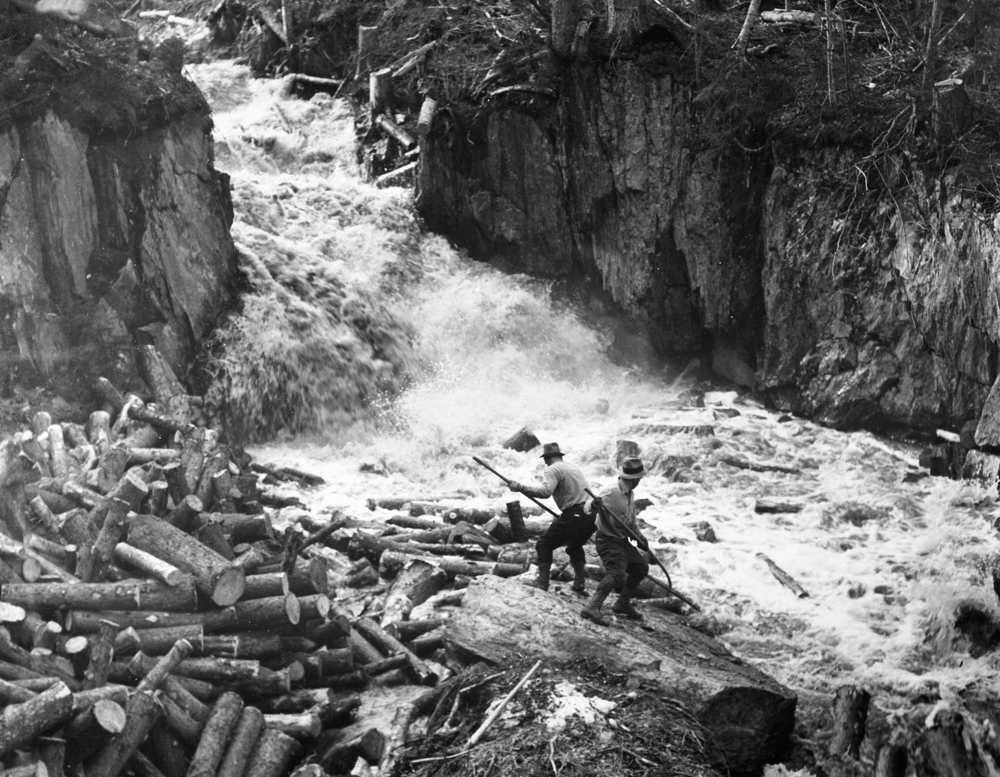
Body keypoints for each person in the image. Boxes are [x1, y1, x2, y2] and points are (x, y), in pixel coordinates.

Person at [506, 442, 593, 593]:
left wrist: (520, 487)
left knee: (543, 544)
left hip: (575, 514)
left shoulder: (552, 469)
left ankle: (542, 582)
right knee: (574, 545)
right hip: (591, 514)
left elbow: (546, 492)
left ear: (546, 458)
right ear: (560, 456)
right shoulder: (573, 467)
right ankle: (579, 581)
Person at [581, 455, 650, 626]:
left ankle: (622, 603)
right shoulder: (611, 491)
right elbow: (587, 507)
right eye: (639, 477)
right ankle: (592, 607)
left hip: (622, 540)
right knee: (616, 573)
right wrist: (595, 505)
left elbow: (632, 523)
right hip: (607, 540)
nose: (640, 480)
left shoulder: (630, 494)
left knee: (641, 568)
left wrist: (640, 539)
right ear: (634, 479)